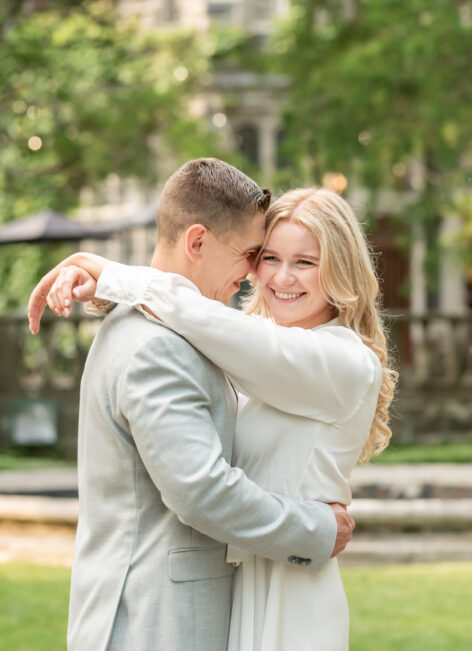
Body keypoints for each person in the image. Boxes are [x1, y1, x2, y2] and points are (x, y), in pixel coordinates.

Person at [33, 186, 397, 650]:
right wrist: (107, 291)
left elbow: (207, 320)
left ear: (340, 269)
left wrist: (107, 273)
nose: (281, 276)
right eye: (267, 257)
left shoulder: (345, 362)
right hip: (245, 580)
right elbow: (208, 328)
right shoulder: (255, 351)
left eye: (305, 262)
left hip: (289, 592)